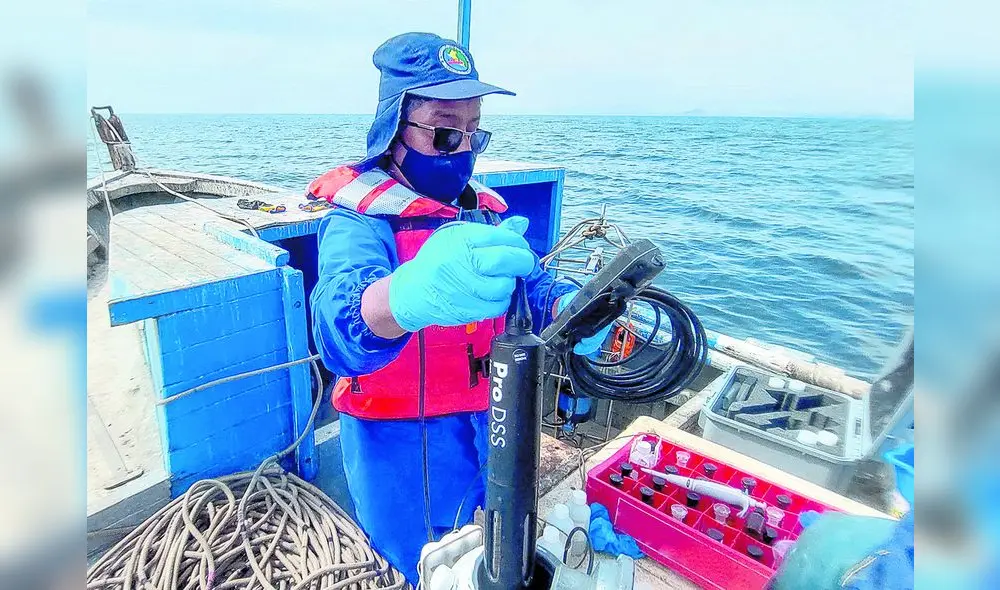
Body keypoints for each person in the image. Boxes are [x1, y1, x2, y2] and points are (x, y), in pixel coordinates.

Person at [306, 32, 609, 584]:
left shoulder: (482, 212)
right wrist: (402, 297)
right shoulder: (358, 221)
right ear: (395, 129)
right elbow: (337, 330)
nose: (463, 149)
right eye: (446, 132)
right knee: (419, 565)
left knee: (489, 551)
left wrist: (573, 305)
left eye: (475, 132)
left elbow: (531, 286)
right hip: (397, 444)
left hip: (488, 424)